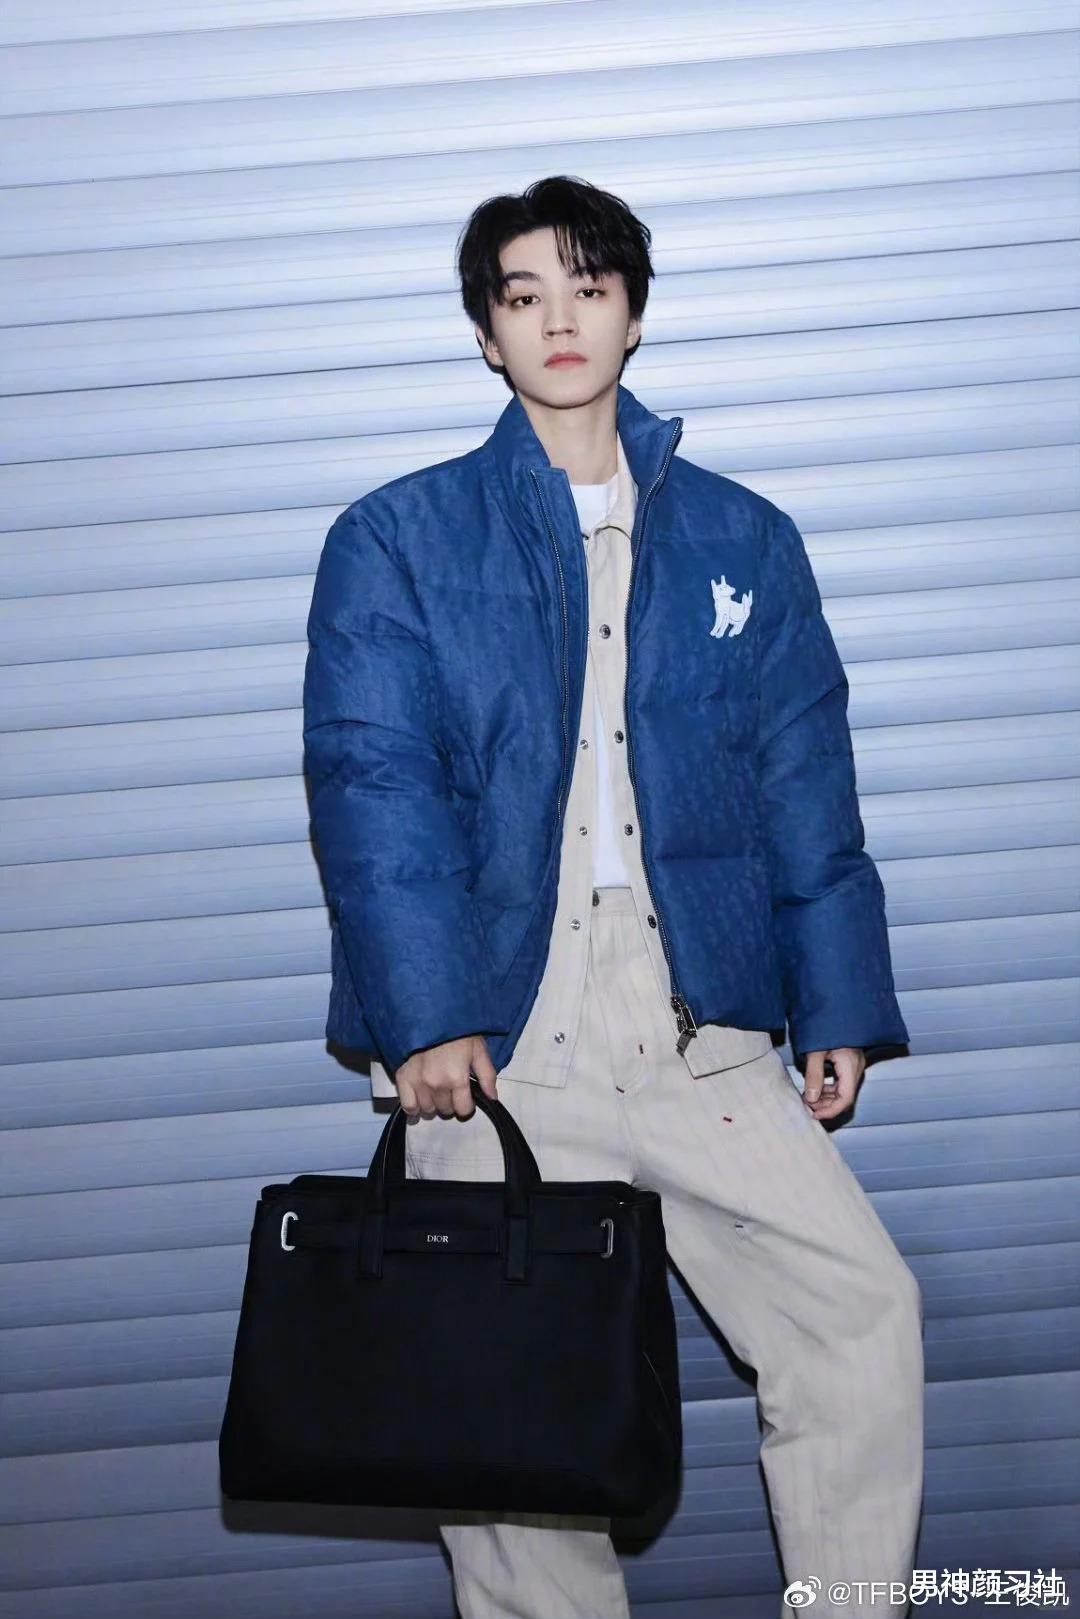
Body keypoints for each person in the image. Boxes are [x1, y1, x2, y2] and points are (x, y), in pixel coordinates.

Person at [303, 174, 925, 1619]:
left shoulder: (743, 539)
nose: (560, 320)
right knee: (509, 1425)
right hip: (500, 1045)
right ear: (486, 334)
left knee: (859, 1320)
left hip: (696, 1021)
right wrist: (425, 1014)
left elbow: (803, 780)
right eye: (523, 296)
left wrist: (834, 999)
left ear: (635, 312)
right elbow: (373, 788)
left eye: (588, 287)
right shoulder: (396, 538)